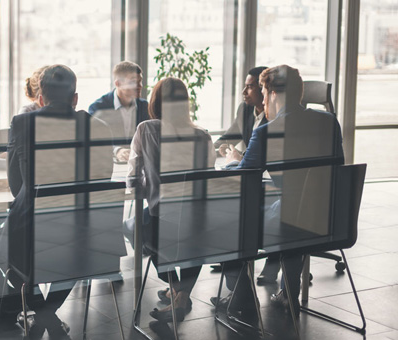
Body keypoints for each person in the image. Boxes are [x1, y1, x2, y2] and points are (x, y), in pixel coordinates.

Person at [228, 65, 344, 317]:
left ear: (270, 93)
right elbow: (336, 169)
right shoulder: (330, 122)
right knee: (294, 208)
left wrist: (232, 163)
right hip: (331, 218)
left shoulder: (266, 132)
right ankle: (289, 292)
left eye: (262, 90)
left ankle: (241, 298)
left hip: (289, 224)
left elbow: (243, 179)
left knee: (227, 220)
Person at [5, 64, 105, 339]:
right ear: (75, 98)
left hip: (31, 229)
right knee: (73, 258)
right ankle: (49, 317)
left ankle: (42, 318)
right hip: (80, 233)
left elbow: (16, 184)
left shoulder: (22, 122)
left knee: (13, 259)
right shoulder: (96, 126)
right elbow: (101, 182)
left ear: (39, 99)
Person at [127, 77, 216, 324]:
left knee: (143, 227)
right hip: (198, 221)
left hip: (162, 217)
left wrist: (153, 189)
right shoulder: (203, 136)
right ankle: (180, 295)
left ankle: (176, 289)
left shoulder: (146, 129)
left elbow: (133, 181)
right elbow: (206, 179)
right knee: (191, 235)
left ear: (155, 102)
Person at [88, 61, 149, 163]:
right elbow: (94, 140)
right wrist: (117, 150)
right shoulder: (98, 108)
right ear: (118, 83)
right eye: (133, 82)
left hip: (139, 164)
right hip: (108, 164)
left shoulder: (145, 107)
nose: (140, 86)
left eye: (140, 81)